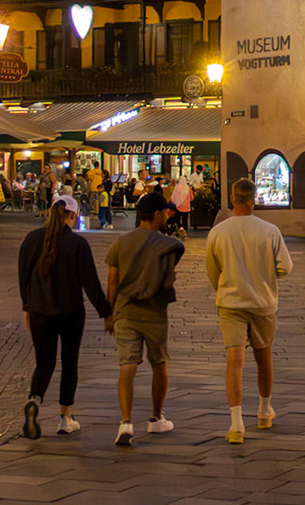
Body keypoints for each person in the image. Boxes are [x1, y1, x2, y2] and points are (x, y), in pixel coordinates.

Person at [206, 177, 294, 443]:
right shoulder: (269, 230)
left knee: (235, 361)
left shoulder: (218, 232)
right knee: (263, 357)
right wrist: (267, 274)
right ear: (253, 200)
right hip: (263, 302)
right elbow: (286, 267)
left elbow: (213, 273)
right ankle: (264, 410)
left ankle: (236, 424)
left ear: (232, 199)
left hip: (231, 303)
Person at [17, 195, 113, 438]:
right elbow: (90, 284)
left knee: (44, 363)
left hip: (39, 311)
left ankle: (34, 401)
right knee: (70, 362)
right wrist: (106, 313)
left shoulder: (31, 240)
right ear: (72, 215)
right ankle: (65, 417)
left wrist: (27, 306)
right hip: (70, 312)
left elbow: (23, 277)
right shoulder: (78, 244)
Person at [106, 189, 184, 445]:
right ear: (159, 214)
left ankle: (126, 422)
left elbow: (113, 282)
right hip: (154, 313)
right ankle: (156, 418)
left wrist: (109, 313)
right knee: (158, 364)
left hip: (126, 311)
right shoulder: (167, 245)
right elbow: (171, 272)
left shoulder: (121, 242)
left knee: (127, 366)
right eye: (165, 212)